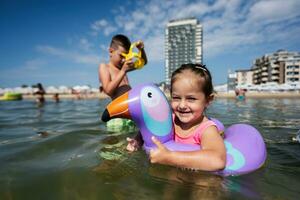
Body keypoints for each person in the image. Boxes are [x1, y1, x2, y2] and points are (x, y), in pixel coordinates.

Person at [127, 63, 226, 171]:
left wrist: (170, 158)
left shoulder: (207, 130)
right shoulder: (170, 120)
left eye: (191, 99)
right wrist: (138, 141)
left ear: (208, 100)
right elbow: (150, 133)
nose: (182, 105)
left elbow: (218, 160)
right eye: (176, 98)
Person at [98, 34, 147, 100]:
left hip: (131, 106)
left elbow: (143, 63)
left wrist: (141, 50)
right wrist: (123, 71)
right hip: (120, 109)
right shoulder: (105, 67)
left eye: (126, 56)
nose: (124, 60)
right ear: (111, 51)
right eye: (121, 56)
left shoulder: (123, 67)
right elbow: (108, 91)